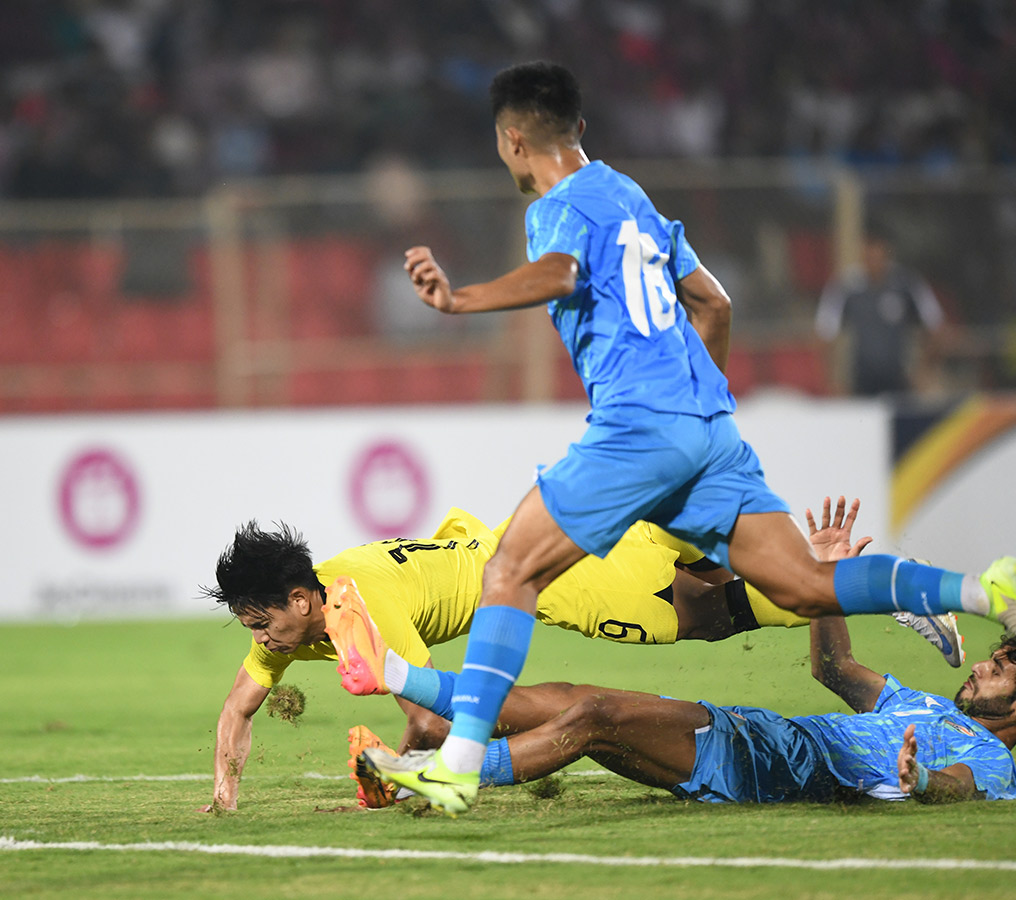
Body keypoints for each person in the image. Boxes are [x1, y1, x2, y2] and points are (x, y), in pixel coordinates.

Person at [385, 60, 1016, 814]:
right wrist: (699, 412)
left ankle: (457, 764)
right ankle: (985, 591)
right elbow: (712, 304)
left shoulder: (559, 203)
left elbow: (558, 273)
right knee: (805, 584)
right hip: (708, 429)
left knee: (510, 572)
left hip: (637, 427)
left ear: (512, 140)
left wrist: (461, 299)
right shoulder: (633, 197)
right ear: (581, 129)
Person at [198, 503, 958, 811]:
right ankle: (823, 573)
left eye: (261, 620)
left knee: (705, 621)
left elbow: (429, 718)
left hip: (559, 575)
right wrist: (225, 789)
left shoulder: (356, 605)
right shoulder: (297, 622)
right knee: (714, 595)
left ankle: (855, 584)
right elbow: (237, 707)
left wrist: (393, 783)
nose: (258, 638)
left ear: (302, 600)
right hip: (540, 545)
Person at [815, 223, 946, 397]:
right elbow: (824, 333)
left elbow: (936, 327)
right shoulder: (846, 286)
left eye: (878, 254)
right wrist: (832, 381)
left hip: (900, 380)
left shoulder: (907, 283)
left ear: (887, 254)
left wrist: (923, 372)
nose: (874, 260)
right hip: (860, 381)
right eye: (869, 254)